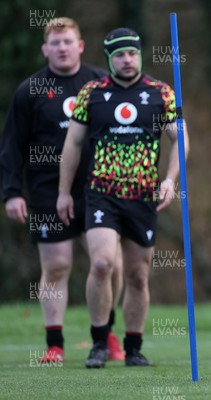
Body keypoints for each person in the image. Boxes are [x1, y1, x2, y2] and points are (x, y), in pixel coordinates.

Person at [57, 27, 188, 368]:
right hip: (101, 193)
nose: (126, 60)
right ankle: (99, 342)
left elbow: (181, 141)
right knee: (102, 264)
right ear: (108, 58)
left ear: (139, 55)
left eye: (131, 53)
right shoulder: (92, 93)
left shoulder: (161, 93)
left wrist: (171, 180)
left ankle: (133, 347)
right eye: (118, 55)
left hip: (143, 196)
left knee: (138, 275)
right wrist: (62, 193)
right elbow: (71, 146)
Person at [0, 17, 125, 363]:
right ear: (45, 49)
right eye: (55, 43)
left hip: (100, 189)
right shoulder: (30, 90)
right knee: (56, 265)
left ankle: (106, 334)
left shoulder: (102, 82)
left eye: (68, 41)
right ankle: (54, 343)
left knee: (108, 264)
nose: (62, 48)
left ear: (81, 45)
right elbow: (11, 145)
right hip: (46, 191)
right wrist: (11, 192)